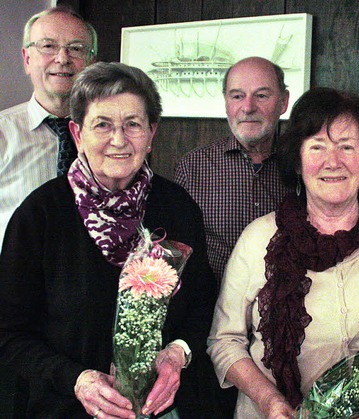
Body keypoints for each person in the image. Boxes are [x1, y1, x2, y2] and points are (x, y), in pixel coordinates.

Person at [0, 62, 216, 418]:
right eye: (103, 124)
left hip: (161, 409)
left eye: (132, 124)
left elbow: (202, 301)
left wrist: (178, 353)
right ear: (77, 133)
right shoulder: (39, 215)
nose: (119, 139)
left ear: (151, 133)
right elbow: (9, 334)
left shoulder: (178, 207)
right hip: (63, 408)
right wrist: (77, 379)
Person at [207, 87, 359, 418]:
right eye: (317, 147)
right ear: (298, 161)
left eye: (347, 147)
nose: (333, 161)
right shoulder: (258, 239)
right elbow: (224, 342)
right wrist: (269, 399)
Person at [174, 56, 292, 284]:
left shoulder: (305, 166)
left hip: (289, 309)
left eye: (261, 95)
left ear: (283, 102)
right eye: (237, 96)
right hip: (212, 309)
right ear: (226, 102)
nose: (248, 107)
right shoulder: (193, 167)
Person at [0, 5, 98, 248]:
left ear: (91, 63)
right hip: (17, 279)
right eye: (48, 46)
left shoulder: (109, 135)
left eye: (76, 48)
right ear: (27, 59)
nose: (62, 58)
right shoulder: (3, 133)